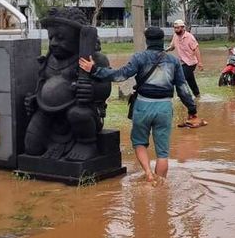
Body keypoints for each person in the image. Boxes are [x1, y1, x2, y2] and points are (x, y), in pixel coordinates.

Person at [79, 26, 201, 182]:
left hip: (143, 106)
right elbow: (183, 89)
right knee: (162, 153)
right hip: (164, 108)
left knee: (139, 142)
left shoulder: (139, 58)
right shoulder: (173, 61)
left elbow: (120, 75)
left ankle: (149, 174)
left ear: (147, 40)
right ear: (162, 40)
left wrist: (94, 69)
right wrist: (192, 110)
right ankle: (160, 184)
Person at [167, 19, 203, 98]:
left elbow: (196, 49)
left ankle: (184, 96)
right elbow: (172, 46)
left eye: (178, 28)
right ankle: (197, 95)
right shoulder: (175, 36)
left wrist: (200, 63)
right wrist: (166, 50)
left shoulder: (189, 37)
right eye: (175, 28)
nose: (176, 29)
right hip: (181, 63)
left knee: (181, 79)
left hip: (191, 62)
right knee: (190, 80)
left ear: (183, 28)